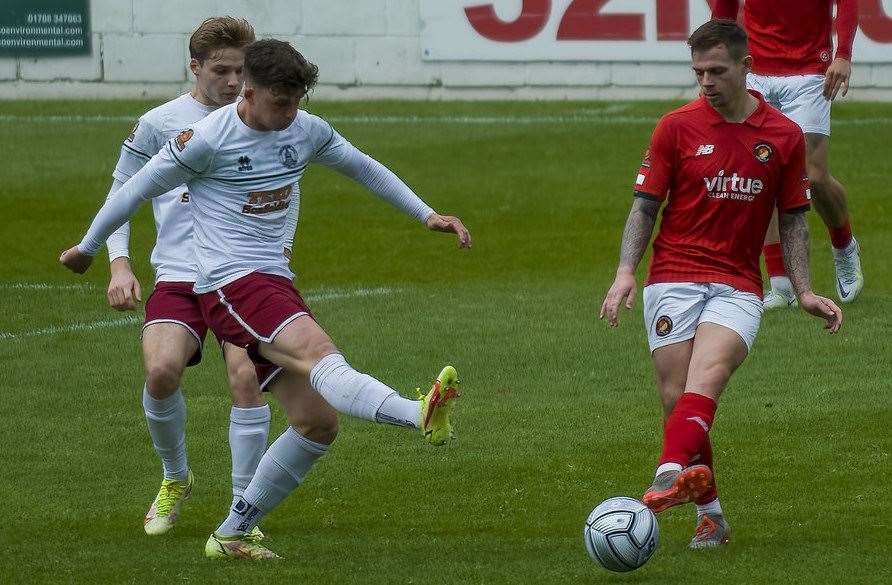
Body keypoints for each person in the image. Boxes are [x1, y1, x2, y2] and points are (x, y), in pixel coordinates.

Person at [61, 38, 471, 560]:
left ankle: (232, 531)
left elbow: (363, 167)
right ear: (248, 93)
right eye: (280, 101)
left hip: (273, 279)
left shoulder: (304, 129)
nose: (291, 112)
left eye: (297, 100)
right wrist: (92, 249)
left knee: (317, 424)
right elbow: (133, 189)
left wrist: (426, 214)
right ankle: (418, 413)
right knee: (320, 354)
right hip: (230, 284)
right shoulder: (204, 140)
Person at [599, 20, 842, 549]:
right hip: (672, 277)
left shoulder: (783, 136)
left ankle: (667, 473)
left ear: (745, 67)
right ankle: (711, 512)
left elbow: (795, 218)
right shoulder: (675, 127)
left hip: (737, 285)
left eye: (716, 71)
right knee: (675, 402)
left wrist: (802, 289)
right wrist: (624, 274)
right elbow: (645, 208)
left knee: (704, 380)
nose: (705, 81)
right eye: (698, 72)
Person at [103, 16, 280, 537]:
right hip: (179, 274)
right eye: (221, 70)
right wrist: (118, 262)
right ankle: (175, 477)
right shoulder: (161, 122)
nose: (233, 82)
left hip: (241, 271)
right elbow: (122, 189)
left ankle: (243, 510)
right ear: (195, 67)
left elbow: (285, 190)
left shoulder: (263, 120)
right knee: (160, 373)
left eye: (241, 71)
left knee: (247, 378)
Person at [712, 0, 863, 308]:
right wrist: (715, 61)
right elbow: (724, 9)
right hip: (756, 71)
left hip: (809, 72)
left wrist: (843, 54)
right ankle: (781, 284)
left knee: (813, 175)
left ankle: (844, 245)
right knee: (760, 171)